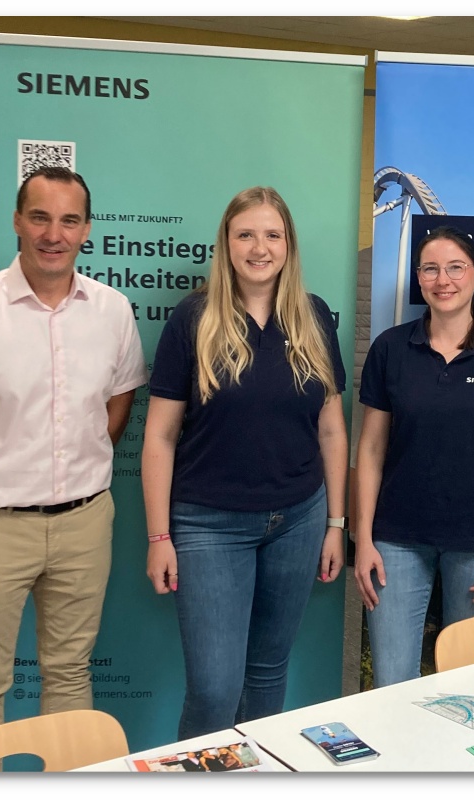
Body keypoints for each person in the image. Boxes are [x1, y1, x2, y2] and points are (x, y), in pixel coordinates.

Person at [0, 166, 147, 737]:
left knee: (70, 674)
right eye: (40, 218)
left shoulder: (112, 310)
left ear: (87, 229)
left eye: (68, 221)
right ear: (17, 221)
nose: (53, 235)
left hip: (85, 524)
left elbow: (117, 404)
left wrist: (79, 468)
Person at [142, 186, 348, 739]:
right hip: (209, 524)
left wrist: (336, 523)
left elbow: (331, 428)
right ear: (226, 243)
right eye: (246, 235)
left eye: (272, 235)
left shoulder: (314, 317)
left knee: (267, 675)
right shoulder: (193, 319)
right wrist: (159, 537)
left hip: (300, 519)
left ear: (289, 245)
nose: (260, 248)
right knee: (214, 690)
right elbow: (159, 435)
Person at [354, 226, 474, 688]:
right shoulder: (390, 348)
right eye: (431, 269)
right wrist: (364, 539)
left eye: (456, 268)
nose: (443, 280)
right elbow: (371, 449)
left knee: (465, 683)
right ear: (418, 278)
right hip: (396, 540)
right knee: (391, 682)